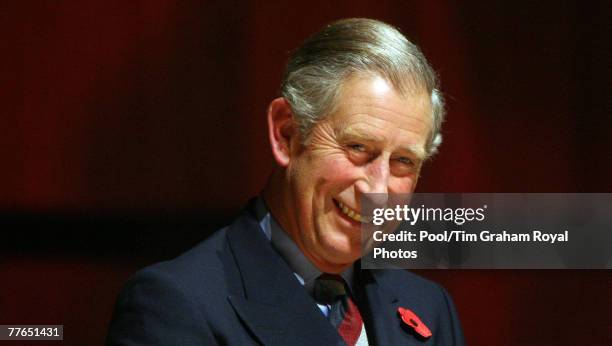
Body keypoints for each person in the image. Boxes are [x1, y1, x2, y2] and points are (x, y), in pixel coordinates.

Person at [107, 18, 464, 345]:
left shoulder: (429, 307)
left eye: (404, 161)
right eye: (358, 147)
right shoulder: (175, 305)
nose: (378, 190)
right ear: (287, 134)